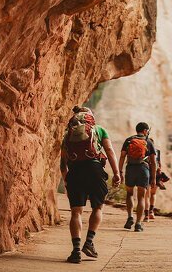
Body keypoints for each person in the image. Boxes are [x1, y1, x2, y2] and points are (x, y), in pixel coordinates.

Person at [60, 106, 121, 264]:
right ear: (90, 117)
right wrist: (116, 173)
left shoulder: (68, 133)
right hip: (94, 169)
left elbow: (63, 163)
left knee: (76, 212)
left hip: (75, 171)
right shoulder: (99, 129)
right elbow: (109, 150)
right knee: (97, 207)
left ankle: (75, 251)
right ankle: (89, 242)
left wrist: (67, 181)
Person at [118, 122, 156, 232]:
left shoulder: (129, 140)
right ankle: (138, 224)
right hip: (143, 170)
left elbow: (122, 156)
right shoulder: (148, 142)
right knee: (141, 197)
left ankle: (130, 217)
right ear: (145, 130)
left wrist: (119, 171)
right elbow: (153, 162)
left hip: (130, 168)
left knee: (129, 194)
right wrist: (153, 178)